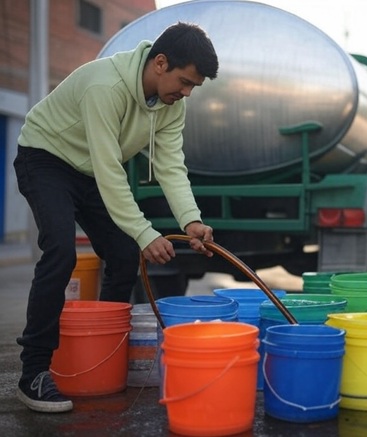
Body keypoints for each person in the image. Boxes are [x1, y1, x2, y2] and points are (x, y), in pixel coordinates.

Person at [13, 22, 219, 413]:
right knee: (60, 249)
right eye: (185, 81)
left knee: (124, 254)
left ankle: (104, 352)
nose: (187, 92)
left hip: (89, 169)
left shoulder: (171, 103)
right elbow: (110, 172)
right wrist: (145, 232)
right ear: (160, 63)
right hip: (45, 158)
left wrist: (191, 221)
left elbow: (171, 165)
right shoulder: (104, 86)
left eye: (194, 86)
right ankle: (34, 372)